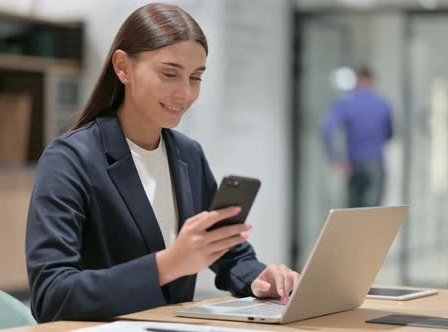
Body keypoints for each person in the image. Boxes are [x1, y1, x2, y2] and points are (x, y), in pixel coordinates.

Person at [25, 3, 298, 323]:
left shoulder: (188, 154)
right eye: (169, 74)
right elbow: (51, 296)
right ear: (122, 67)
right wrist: (167, 265)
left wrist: (260, 278)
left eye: (195, 77)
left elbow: (228, 253)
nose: (184, 93)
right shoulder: (70, 160)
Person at [322, 66, 393, 208]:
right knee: (373, 214)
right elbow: (389, 134)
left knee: (353, 214)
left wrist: (336, 158)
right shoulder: (382, 104)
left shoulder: (345, 103)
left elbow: (327, 129)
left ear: (356, 82)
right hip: (375, 164)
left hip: (353, 165)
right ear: (372, 82)